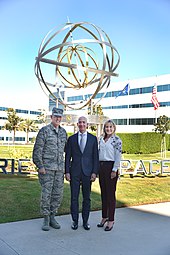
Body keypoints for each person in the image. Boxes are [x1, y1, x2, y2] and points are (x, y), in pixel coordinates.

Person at [32, 107, 67, 231]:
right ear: (51, 117)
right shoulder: (44, 131)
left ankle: (53, 216)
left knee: (57, 194)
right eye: (55, 116)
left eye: (59, 117)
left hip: (59, 169)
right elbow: (38, 149)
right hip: (46, 169)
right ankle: (46, 218)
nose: (58, 118)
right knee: (46, 194)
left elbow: (65, 150)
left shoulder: (63, 132)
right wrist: (40, 166)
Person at [65, 116, 99, 230]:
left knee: (87, 198)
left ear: (87, 124)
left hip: (88, 173)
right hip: (74, 172)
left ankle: (85, 221)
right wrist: (67, 172)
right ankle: (75, 221)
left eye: (84, 122)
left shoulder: (93, 139)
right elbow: (67, 157)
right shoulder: (72, 139)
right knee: (74, 198)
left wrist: (95, 172)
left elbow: (95, 157)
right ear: (77, 124)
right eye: (80, 122)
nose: (82, 124)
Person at [97, 120, 122, 231]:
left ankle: (111, 220)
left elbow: (118, 156)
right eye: (107, 127)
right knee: (103, 194)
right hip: (101, 167)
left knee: (110, 195)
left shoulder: (116, 140)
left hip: (111, 167)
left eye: (110, 127)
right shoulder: (101, 139)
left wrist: (114, 169)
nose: (108, 129)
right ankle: (104, 217)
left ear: (114, 128)